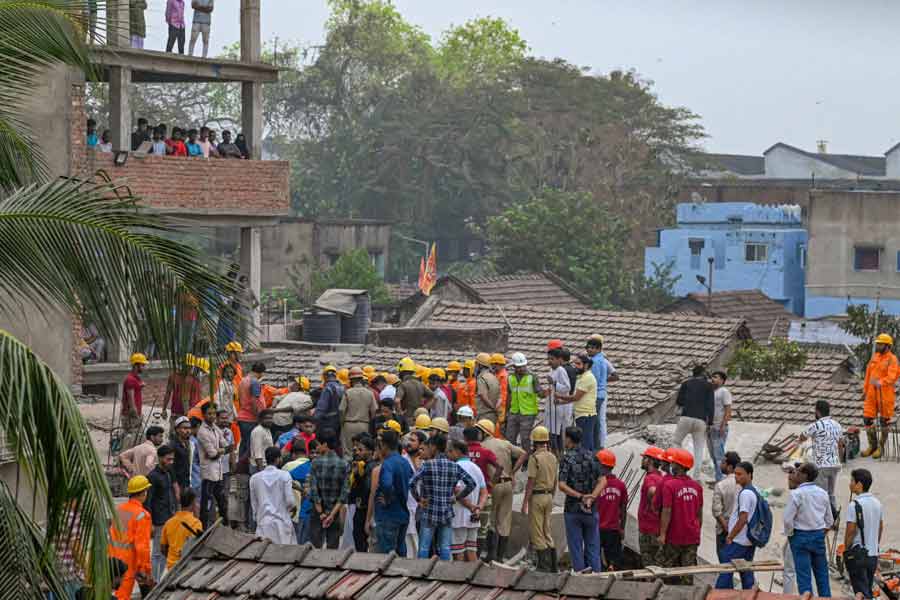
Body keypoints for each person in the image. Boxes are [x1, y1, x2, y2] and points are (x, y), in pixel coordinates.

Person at [409, 434, 477, 560]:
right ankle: (444, 575)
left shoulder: (427, 465)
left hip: (429, 512)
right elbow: (471, 484)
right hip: (446, 512)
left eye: (428, 447)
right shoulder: (454, 466)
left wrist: (419, 499)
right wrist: (456, 498)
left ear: (433, 447)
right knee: (445, 547)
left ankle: (420, 574)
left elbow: (411, 483)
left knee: (424, 547)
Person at [558, 426, 605, 573]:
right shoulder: (593, 456)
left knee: (576, 547)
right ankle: (597, 577)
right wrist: (592, 497)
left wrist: (580, 497)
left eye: (565, 437)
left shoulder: (567, 458)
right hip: (592, 509)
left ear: (569, 439)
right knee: (593, 546)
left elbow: (562, 485)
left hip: (573, 509)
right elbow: (603, 481)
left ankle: (580, 578)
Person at [479, 419, 527, 562]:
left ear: (483, 432)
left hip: (493, 485)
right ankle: (500, 557)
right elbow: (524, 454)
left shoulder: (482, 446)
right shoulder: (504, 443)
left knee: (491, 519)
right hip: (507, 485)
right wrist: (512, 472)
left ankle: (491, 555)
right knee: (505, 520)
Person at [783, 462, 833, 597]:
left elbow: (787, 520)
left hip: (800, 537)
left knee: (804, 578)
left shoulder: (797, 494)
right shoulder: (823, 493)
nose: (795, 475)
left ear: (804, 475)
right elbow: (829, 521)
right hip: (818, 535)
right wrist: (821, 533)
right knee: (822, 575)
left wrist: (790, 535)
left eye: (798, 472)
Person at [657, 448, 704, 584]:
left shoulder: (669, 485)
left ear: (678, 466)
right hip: (692, 536)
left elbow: (667, 510)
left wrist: (663, 534)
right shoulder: (697, 487)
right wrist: (697, 532)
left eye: (673, 463)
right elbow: (699, 513)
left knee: (667, 572)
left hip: (674, 536)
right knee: (687, 573)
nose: (671, 465)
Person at [109, 476, 153, 600]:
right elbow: (142, 547)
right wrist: (145, 570)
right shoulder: (142, 515)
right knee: (122, 596)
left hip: (113, 562)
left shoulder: (119, 510)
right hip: (127, 565)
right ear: (143, 493)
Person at [521, 426, 558, 572]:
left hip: (537, 497)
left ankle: (544, 567)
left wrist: (524, 503)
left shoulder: (534, 458)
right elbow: (555, 479)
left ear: (534, 442)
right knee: (546, 531)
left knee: (537, 533)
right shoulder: (553, 457)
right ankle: (553, 567)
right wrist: (552, 496)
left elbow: (530, 482)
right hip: (549, 496)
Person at [715, 461, 758, 590]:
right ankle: (749, 593)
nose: (736, 477)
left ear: (749, 475)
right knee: (746, 570)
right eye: (735, 474)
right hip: (749, 540)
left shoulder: (745, 494)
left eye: (740, 474)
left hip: (739, 540)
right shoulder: (754, 490)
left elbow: (743, 518)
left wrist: (730, 536)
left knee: (726, 569)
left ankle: (719, 595)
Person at [372, 429, 413, 554]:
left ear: (384, 445)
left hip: (388, 516)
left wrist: (388, 499)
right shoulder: (405, 462)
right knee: (401, 554)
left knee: (385, 556)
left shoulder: (388, 463)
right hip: (402, 515)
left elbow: (386, 483)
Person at [800, 400, 843, 519]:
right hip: (835, 464)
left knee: (822, 494)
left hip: (821, 465)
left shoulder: (816, 425)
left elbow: (802, 436)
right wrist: (840, 461)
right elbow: (840, 445)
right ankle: (834, 517)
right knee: (831, 493)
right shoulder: (837, 425)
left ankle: (827, 518)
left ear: (817, 412)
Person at [844, 468, 883, 599]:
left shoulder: (854, 505)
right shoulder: (878, 503)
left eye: (852, 481)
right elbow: (880, 528)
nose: (850, 484)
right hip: (873, 555)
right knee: (867, 590)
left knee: (861, 593)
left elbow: (851, 531)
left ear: (859, 484)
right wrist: (874, 544)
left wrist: (846, 549)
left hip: (858, 555)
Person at [308, 429, 350, 549]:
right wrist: (331, 514)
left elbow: (314, 491)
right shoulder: (344, 464)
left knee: (315, 548)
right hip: (335, 513)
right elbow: (344, 493)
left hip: (318, 513)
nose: (317, 448)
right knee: (332, 549)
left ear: (325, 444)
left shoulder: (315, 463)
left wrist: (321, 513)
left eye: (319, 444)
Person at [672, 365, 714, 480]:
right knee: (699, 448)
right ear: (702, 373)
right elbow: (711, 406)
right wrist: (710, 422)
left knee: (676, 442)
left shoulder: (686, 383)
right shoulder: (709, 386)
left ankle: (677, 468)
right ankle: (696, 477)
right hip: (701, 420)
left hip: (686, 417)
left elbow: (679, 401)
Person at [448, 439, 487, 562]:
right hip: (474, 517)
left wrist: (471, 507)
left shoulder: (456, 467)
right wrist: (478, 508)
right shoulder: (476, 468)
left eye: (450, 451)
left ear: (457, 452)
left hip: (459, 516)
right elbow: (484, 492)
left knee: (458, 552)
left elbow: (457, 491)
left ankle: (458, 579)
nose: (448, 454)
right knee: (471, 551)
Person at [861, 333, 899, 458]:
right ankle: (873, 446)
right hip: (871, 394)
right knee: (867, 419)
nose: (878, 345)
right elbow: (868, 374)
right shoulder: (875, 357)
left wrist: (880, 382)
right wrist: (865, 390)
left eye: (881, 344)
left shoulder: (892, 359)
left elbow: (892, 377)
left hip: (885, 394)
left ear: (887, 346)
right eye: (878, 343)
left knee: (884, 421)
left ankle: (881, 448)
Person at [144, 445, 177, 582]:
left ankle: (158, 580)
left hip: (168, 517)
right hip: (158, 519)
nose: (171, 462)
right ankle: (155, 581)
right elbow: (148, 501)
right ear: (161, 458)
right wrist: (150, 522)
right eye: (168, 459)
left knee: (165, 550)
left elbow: (170, 495)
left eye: (172, 459)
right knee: (157, 552)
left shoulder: (168, 474)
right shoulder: (152, 476)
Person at [250, 446, 297, 544]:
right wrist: (293, 509)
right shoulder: (285, 475)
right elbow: (290, 502)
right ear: (278, 459)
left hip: (263, 526)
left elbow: (254, 506)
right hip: (282, 526)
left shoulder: (254, 478)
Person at [556, 353, 598, 452]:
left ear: (586, 365)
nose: (576, 366)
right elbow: (575, 398)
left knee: (585, 444)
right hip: (581, 414)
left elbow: (576, 397)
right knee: (583, 443)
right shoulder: (581, 377)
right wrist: (561, 402)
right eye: (575, 364)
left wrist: (559, 396)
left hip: (586, 415)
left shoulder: (587, 378)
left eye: (578, 364)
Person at [197, 402, 229, 530]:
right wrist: (220, 450)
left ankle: (225, 527)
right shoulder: (202, 432)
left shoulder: (215, 428)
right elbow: (213, 454)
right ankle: (204, 529)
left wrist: (219, 450)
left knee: (221, 501)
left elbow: (227, 445)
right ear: (204, 415)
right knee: (206, 503)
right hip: (208, 473)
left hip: (218, 471)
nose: (212, 416)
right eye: (209, 414)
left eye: (214, 413)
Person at [505, 352, 544, 453]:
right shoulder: (510, 378)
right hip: (513, 412)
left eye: (523, 366)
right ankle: (513, 460)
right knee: (509, 438)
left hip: (528, 413)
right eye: (518, 367)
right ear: (514, 366)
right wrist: (506, 413)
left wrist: (545, 393)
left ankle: (526, 461)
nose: (521, 369)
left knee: (525, 439)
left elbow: (539, 392)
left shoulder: (532, 377)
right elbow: (509, 395)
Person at [595, 449, 627, 571]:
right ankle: (612, 568)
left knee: (595, 556)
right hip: (613, 529)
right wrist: (622, 528)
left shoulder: (596, 484)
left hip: (597, 528)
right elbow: (623, 509)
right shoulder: (620, 485)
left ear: (601, 466)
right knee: (613, 558)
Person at [585, 335, 618, 449]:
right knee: (599, 420)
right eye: (588, 347)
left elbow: (594, 380)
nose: (589, 349)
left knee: (595, 421)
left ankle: (597, 446)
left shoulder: (595, 361)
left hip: (596, 394)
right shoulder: (602, 360)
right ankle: (598, 445)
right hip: (601, 393)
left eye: (592, 348)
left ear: (599, 349)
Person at [159, 488, 201, 575]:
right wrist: (197, 516)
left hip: (171, 568)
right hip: (187, 568)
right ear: (193, 503)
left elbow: (163, 548)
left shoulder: (169, 522)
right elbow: (198, 549)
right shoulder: (196, 523)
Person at [637, 446, 666, 567]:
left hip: (648, 530)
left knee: (649, 564)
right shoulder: (661, 477)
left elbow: (652, 491)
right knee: (657, 563)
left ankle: (650, 585)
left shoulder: (650, 478)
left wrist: (653, 504)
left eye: (644, 458)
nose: (642, 460)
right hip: (657, 528)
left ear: (650, 461)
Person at [284, 437, 315, 544]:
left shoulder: (288, 467)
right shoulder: (312, 465)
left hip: (294, 512)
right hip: (311, 510)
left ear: (293, 454)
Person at [348, 434, 377, 551]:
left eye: (361, 450)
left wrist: (360, 476)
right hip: (359, 508)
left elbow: (369, 490)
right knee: (358, 541)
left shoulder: (371, 467)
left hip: (367, 510)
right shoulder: (360, 465)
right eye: (357, 449)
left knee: (364, 544)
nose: (358, 452)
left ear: (370, 451)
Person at [341, 367, 378, 452]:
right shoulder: (369, 393)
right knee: (362, 450)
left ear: (351, 380)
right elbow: (374, 410)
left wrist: (342, 422)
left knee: (349, 451)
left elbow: (341, 410)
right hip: (364, 425)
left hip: (349, 425)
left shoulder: (348, 392)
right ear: (361, 379)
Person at [712, 451, 741, 560]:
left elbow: (717, 511)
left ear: (729, 467)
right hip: (740, 530)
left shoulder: (721, 485)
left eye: (723, 462)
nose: (720, 464)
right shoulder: (743, 483)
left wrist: (727, 529)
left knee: (724, 564)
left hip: (724, 531)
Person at [237, 362, 267, 461]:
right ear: (261, 373)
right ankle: (244, 467)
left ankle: (239, 468)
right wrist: (259, 416)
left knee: (244, 443)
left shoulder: (243, 380)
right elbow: (255, 401)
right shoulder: (254, 382)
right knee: (250, 445)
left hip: (242, 416)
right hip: (250, 418)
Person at [161, 359, 202, 431]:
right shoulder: (174, 376)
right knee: (174, 434)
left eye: (190, 366)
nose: (189, 367)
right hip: (176, 412)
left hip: (190, 413)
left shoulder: (194, 379)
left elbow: (198, 397)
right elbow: (168, 392)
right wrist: (164, 409)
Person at [546, 346, 573, 452]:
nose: (550, 361)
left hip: (559, 407)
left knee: (556, 432)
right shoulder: (552, 370)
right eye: (548, 359)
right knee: (551, 431)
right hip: (551, 405)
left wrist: (554, 383)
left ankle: (559, 454)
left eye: (552, 359)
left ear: (559, 359)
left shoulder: (561, 370)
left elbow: (567, 387)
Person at [708, 371, 732, 483]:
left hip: (719, 428)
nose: (713, 379)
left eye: (716, 377)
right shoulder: (711, 392)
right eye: (712, 377)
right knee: (713, 456)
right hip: (710, 428)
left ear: (722, 380)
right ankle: (718, 478)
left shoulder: (724, 392)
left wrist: (723, 425)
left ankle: (721, 480)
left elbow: (728, 409)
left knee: (719, 456)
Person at [121, 353, 148, 448]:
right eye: (142, 365)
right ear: (136, 365)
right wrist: (136, 415)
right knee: (132, 440)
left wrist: (140, 386)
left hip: (134, 415)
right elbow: (131, 400)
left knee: (136, 440)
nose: (144, 367)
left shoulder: (135, 379)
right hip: (131, 416)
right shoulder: (130, 380)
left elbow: (137, 386)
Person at [315, 365, 344, 443]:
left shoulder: (328, 388)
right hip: (339, 421)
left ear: (325, 376)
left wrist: (314, 420)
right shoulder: (342, 387)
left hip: (328, 422)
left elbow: (322, 407)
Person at [170, 417, 193, 502]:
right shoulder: (172, 446)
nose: (188, 431)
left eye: (189, 428)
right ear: (177, 430)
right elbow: (170, 468)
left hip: (186, 482)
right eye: (185, 428)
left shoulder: (188, 444)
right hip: (176, 484)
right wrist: (176, 486)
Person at [474, 353, 501, 423]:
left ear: (480, 365)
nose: (475, 366)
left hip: (484, 415)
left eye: (476, 364)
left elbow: (483, 397)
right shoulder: (494, 377)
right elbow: (500, 398)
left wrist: (493, 408)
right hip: (493, 416)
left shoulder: (481, 378)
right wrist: (496, 409)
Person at [490, 354, 509, 434]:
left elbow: (504, 395)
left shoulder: (503, 376)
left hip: (501, 408)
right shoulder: (496, 375)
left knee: (499, 430)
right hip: (497, 407)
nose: (492, 366)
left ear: (499, 364)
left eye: (494, 364)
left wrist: (498, 407)